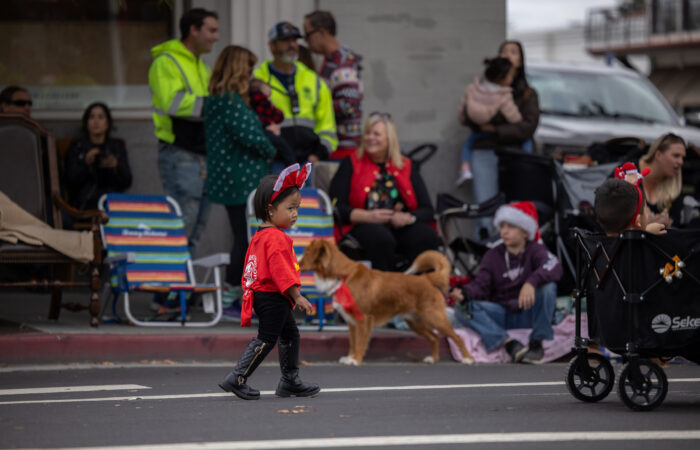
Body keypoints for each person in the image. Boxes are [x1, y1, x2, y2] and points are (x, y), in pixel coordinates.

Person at [218, 164, 320, 401]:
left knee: (290, 335)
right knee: (266, 339)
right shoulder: (277, 238)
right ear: (271, 210)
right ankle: (237, 377)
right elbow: (282, 272)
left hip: (264, 295)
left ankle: (289, 381)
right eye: (291, 208)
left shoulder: (260, 235)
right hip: (274, 296)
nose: (295, 213)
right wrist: (297, 296)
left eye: (298, 208)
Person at [205, 45, 277, 315]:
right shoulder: (230, 101)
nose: (250, 73)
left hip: (233, 178)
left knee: (243, 237)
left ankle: (233, 294)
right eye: (248, 67)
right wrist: (273, 148)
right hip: (240, 179)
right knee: (246, 239)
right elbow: (251, 137)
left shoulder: (220, 99)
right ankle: (231, 295)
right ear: (237, 68)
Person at [450, 201, 562, 364]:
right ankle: (509, 344)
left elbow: (554, 267)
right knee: (463, 308)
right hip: (503, 313)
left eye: (511, 226)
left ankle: (536, 343)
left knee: (548, 288)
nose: (504, 231)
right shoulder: (493, 255)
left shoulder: (536, 250)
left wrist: (531, 282)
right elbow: (481, 284)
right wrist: (464, 293)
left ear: (525, 231)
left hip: (528, 312)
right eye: (502, 226)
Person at [329, 112, 441, 271]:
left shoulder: (406, 165)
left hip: (400, 225)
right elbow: (337, 207)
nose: (370, 137)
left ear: (390, 139)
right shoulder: (351, 163)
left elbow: (427, 209)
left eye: (376, 134)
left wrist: (408, 218)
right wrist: (369, 216)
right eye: (367, 133)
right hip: (364, 224)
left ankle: (419, 289)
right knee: (381, 238)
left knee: (425, 236)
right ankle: (385, 292)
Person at [148, 8, 219, 254]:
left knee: (195, 228)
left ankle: (181, 285)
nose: (216, 37)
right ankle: (168, 285)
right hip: (181, 153)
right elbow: (173, 104)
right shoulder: (166, 62)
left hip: (201, 154)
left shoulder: (200, 65)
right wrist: (215, 104)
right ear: (193, 30)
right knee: (181, 224)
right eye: (211, 30)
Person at [465, 41, 540, 239]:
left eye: (513, 52)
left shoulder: (528, 94)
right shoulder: (482, 87)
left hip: (517, 155)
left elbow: (528, 126)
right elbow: (469, 117)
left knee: (515, 209)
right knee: (485, 207)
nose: (508, 55)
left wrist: (496, 129)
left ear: (521, 60)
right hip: (485, 150)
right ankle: (484, 258)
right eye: (504, 51)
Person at [253, 21, 337, 164]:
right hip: (274, 161)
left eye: (294, 40)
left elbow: (327, 126)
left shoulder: (313, 80)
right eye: (285, 40)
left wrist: (317, 155)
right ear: (272, 46)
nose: (292, 45)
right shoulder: (257, 80)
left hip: (308, 162)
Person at [303, 10, 363, 159]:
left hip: (343, 148)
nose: (306, 41)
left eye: (308, 35)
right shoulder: (330, 61)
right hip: (334, 146)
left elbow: (349, 105)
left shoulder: (342, 62)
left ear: (322, 32)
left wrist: (314, 108)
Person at [456, 57, 521, 185]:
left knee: (467, 144)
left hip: (477, 129)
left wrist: (463, 120)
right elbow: (512, 115)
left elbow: (462, 108)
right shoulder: (504, 94)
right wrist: (518, 119)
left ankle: (465, 169)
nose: (512, 79)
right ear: (502, 78)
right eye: (510, 76)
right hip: (492, 134)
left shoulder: (473, 88)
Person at [64, 102, 132, 211]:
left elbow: (127, 181)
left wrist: (115, 166)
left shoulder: (116, 146)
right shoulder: (77, 146)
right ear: (86, 122)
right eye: (91, 117)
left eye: (100, 117)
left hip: (112, 203)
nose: (96, 121)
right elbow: (70, 182)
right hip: (86, 203)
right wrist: (86, 164)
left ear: (108, 123)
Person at [595, 164, 667, 236]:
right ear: (637, 221)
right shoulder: (642, 245)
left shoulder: (591, 244)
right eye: (645, 211)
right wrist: (645, 233)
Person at [638, 133, 687, 228]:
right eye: (676, 156)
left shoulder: (675, 184)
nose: (681, 162)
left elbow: (675, 222)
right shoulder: (629, 172)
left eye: (682, 157)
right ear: (658, 155)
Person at [248, 78, 296, 167]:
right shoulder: (262, 101)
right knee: (284, 147)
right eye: (268, 95)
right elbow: (278, 116)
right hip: (265, 131)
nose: (269, 99)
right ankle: (292, 167)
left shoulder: (248, 101)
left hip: (261, 131)